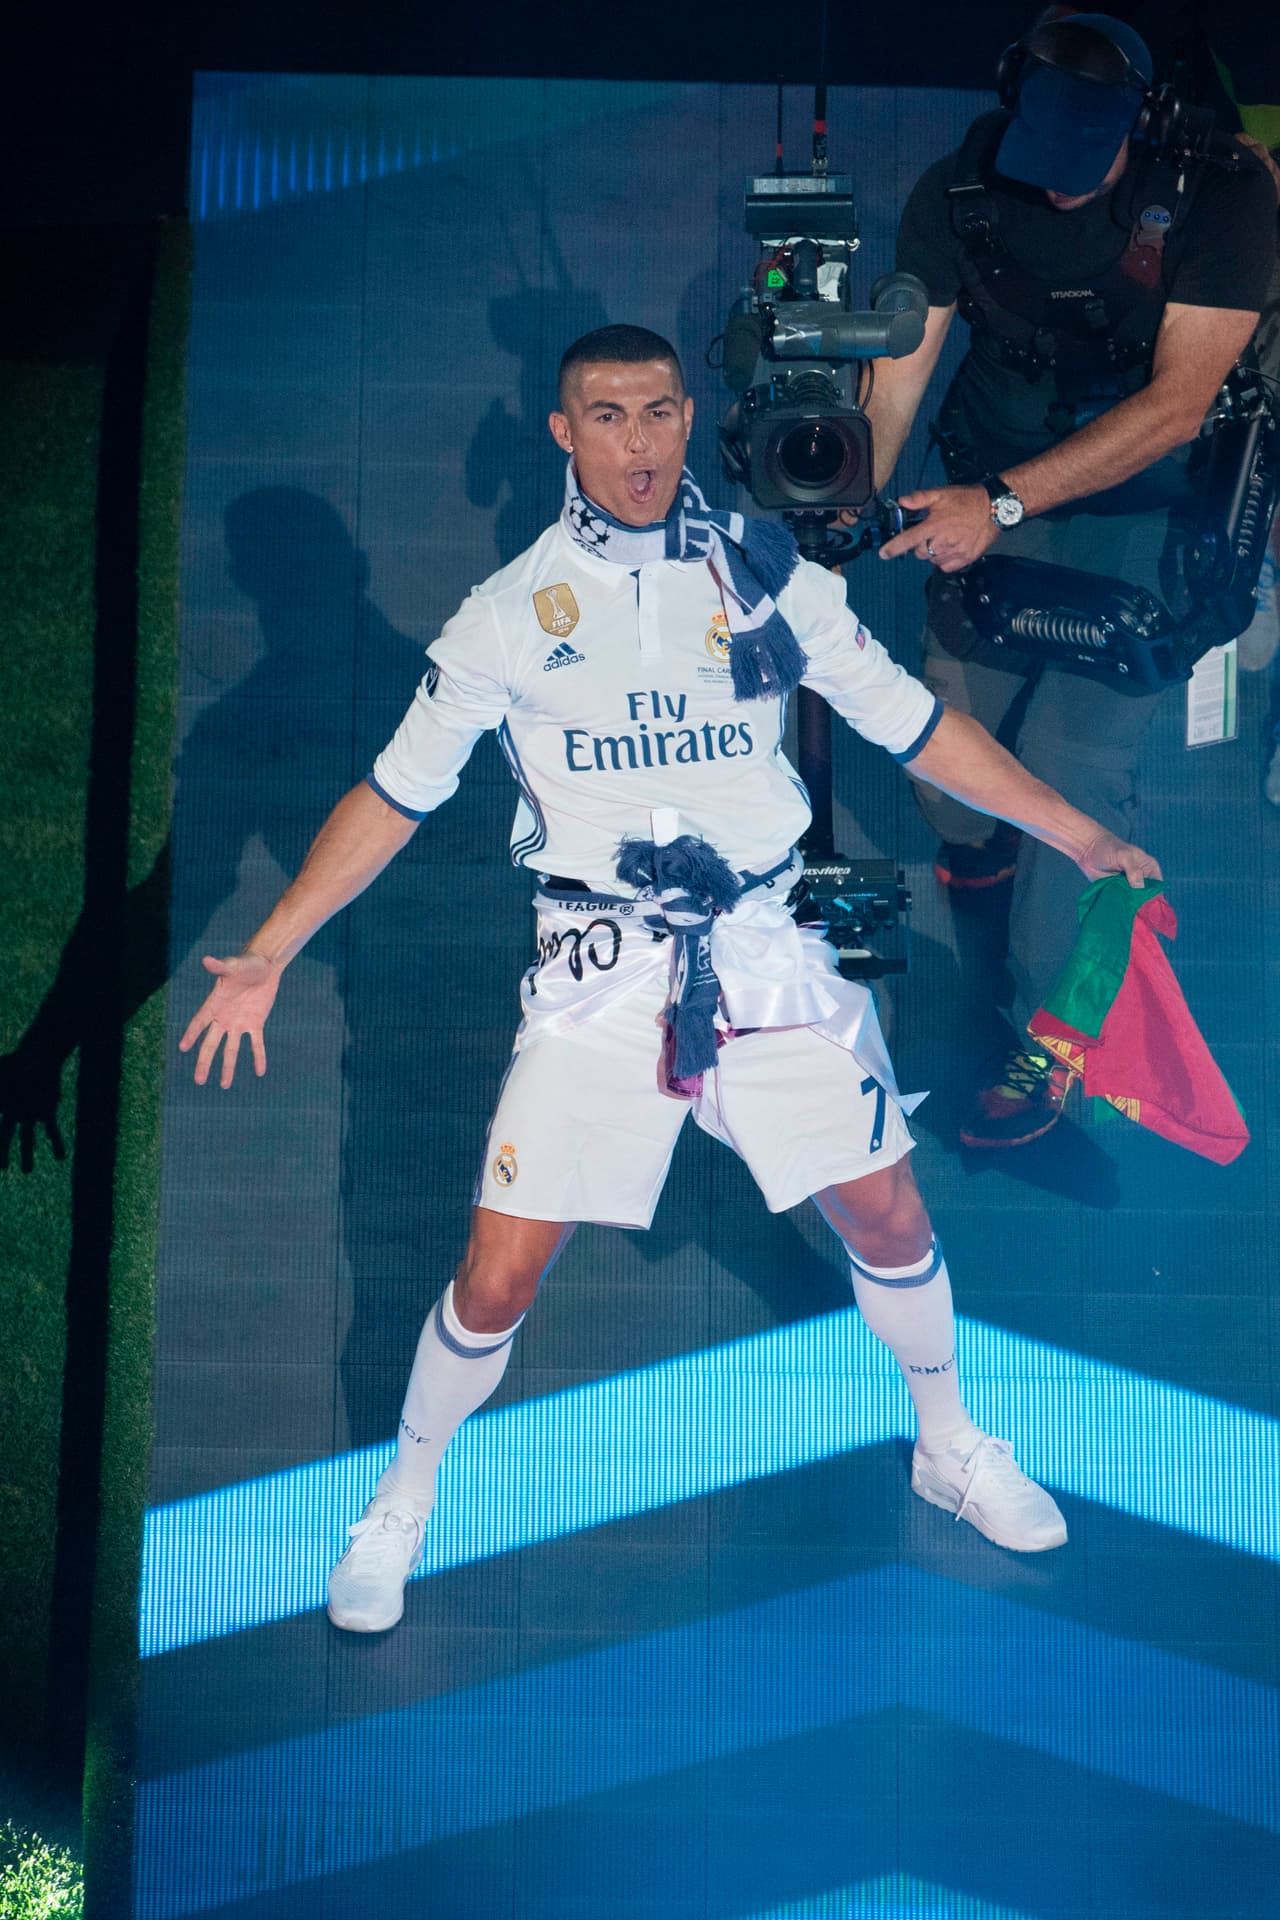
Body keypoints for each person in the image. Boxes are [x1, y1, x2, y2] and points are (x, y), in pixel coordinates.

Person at [181, 323, 1160, 1634]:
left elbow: (915, 725)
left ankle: (949, 1445)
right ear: (564, 435)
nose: (635, 444)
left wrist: (1080, 834)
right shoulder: (509, 616)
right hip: (601, 971)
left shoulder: (763, 576)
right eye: (606, 416)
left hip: (767, 951)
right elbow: (394, 794)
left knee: (889, 1219)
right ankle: (403, 1501)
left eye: (654, 413)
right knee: (495, 1280)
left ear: (688, 418)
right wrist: (273, 948)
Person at [865, 11, 1275, 1146]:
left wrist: (997, 506)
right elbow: (903, 361)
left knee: (1075, 778)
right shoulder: (958, 190)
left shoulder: (1219, 192)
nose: (1051, 192)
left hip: (1149, 512)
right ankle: (988, 920)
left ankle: (1054, 1041)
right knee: (952, 778)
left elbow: (1178, 402)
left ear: (1132, 131)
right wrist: (857, 498)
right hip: (985, 494)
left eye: (1078, 172)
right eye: (1034, 166)